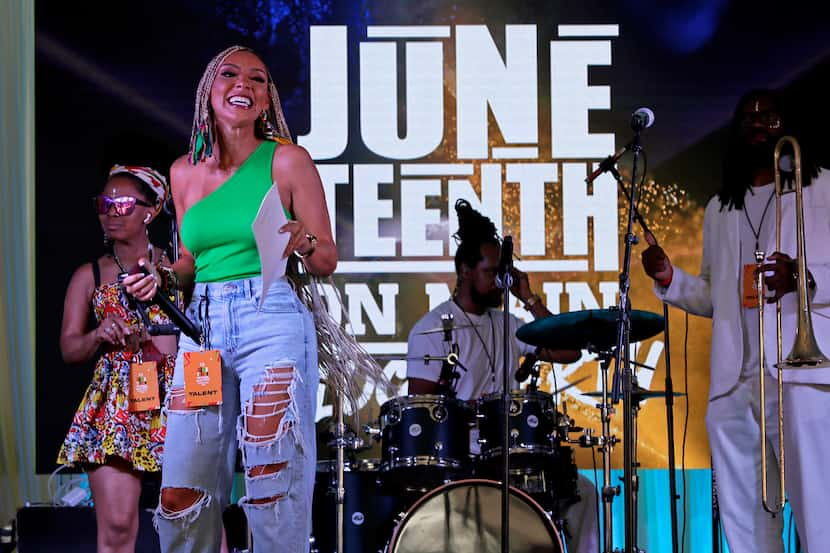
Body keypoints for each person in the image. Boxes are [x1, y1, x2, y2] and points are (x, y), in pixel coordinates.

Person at [124, 45, 336, 553]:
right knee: (182, 493)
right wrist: (162, 277)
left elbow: (327, 257)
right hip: (203, 330)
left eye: (258, 80)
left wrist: (301, 239)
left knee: (271, 482)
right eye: (230, 74)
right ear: (208, 91)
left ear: (266, 100)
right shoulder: (183, 172)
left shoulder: (288, 160)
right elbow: (190, 265)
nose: (244, 84)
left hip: (272, 319)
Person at [641, 89, 830, 553]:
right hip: (733, 386)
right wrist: (671, 280)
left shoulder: (823, 188)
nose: (758, 121)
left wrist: (804, 276)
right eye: (748, 115)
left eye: (769, 114)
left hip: (798, 374)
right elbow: (715, 294)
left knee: (819, 513)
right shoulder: (721, 209)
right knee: (745, 527)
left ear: (789, 124)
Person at [407, 199, 599, 553]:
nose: (499, 281)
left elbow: (569, 350)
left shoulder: (509, 324)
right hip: (464, 458)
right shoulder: (432, 328)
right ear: (465, 269)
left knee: (583, 492)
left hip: (512, 455)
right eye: (491, 272)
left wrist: (527, 296)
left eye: (503, 273)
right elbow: (422, 408)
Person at [58, 164, 176, 553]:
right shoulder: (90, 274)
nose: (110, 212)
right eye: (104, 204)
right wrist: (97, 335)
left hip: (178, 398)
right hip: (116, 406)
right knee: (118, 527)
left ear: (150, 211)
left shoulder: (177, 269)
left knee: (196, 521)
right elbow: (70, 348)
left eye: (122, 203)